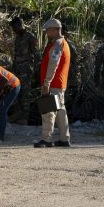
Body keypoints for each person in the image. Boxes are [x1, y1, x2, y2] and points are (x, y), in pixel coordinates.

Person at [35, 18, 71, 148]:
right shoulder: (61, 43)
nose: (46, 33)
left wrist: (46, 84)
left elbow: (53, 65)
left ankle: (46, 139)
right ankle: (64, 139)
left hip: (53, 83)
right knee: (61, 111)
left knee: (48, 111)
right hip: (59, 83)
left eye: (48, 30)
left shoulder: (57, 44)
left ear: (55, 29)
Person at [10, 16, 39, 125]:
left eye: (14, 27)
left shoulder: (30, 37)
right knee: (17, 92)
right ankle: (18, 115)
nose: (13, 30)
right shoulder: (18, 38)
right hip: (17, 70)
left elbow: (36, 54)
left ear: (19, 25)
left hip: (26, 70)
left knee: (25, 94)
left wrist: (37, 70)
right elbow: (16, 55)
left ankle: (24, 118)